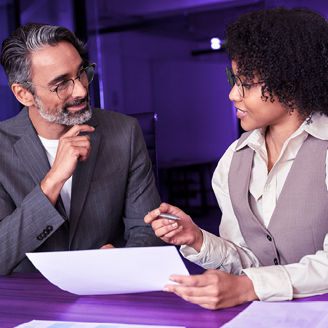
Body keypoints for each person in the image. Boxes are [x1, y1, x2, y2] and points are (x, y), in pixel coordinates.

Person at [145, 7, 328, 309]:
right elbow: (250, 259)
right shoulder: (234, 159)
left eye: (246, 83)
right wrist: (197, 239)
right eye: (235, 79)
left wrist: (248, 287)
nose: (233, 94)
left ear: (291, 83)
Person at [0, 23, 164, 275]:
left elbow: (146, 229)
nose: (81, 89)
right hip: (28, 301)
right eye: (61, 83)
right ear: (24, 94)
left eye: (81, 73)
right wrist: (52, 181)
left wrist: (125, 261)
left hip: (109, 291)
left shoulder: (124, 132)